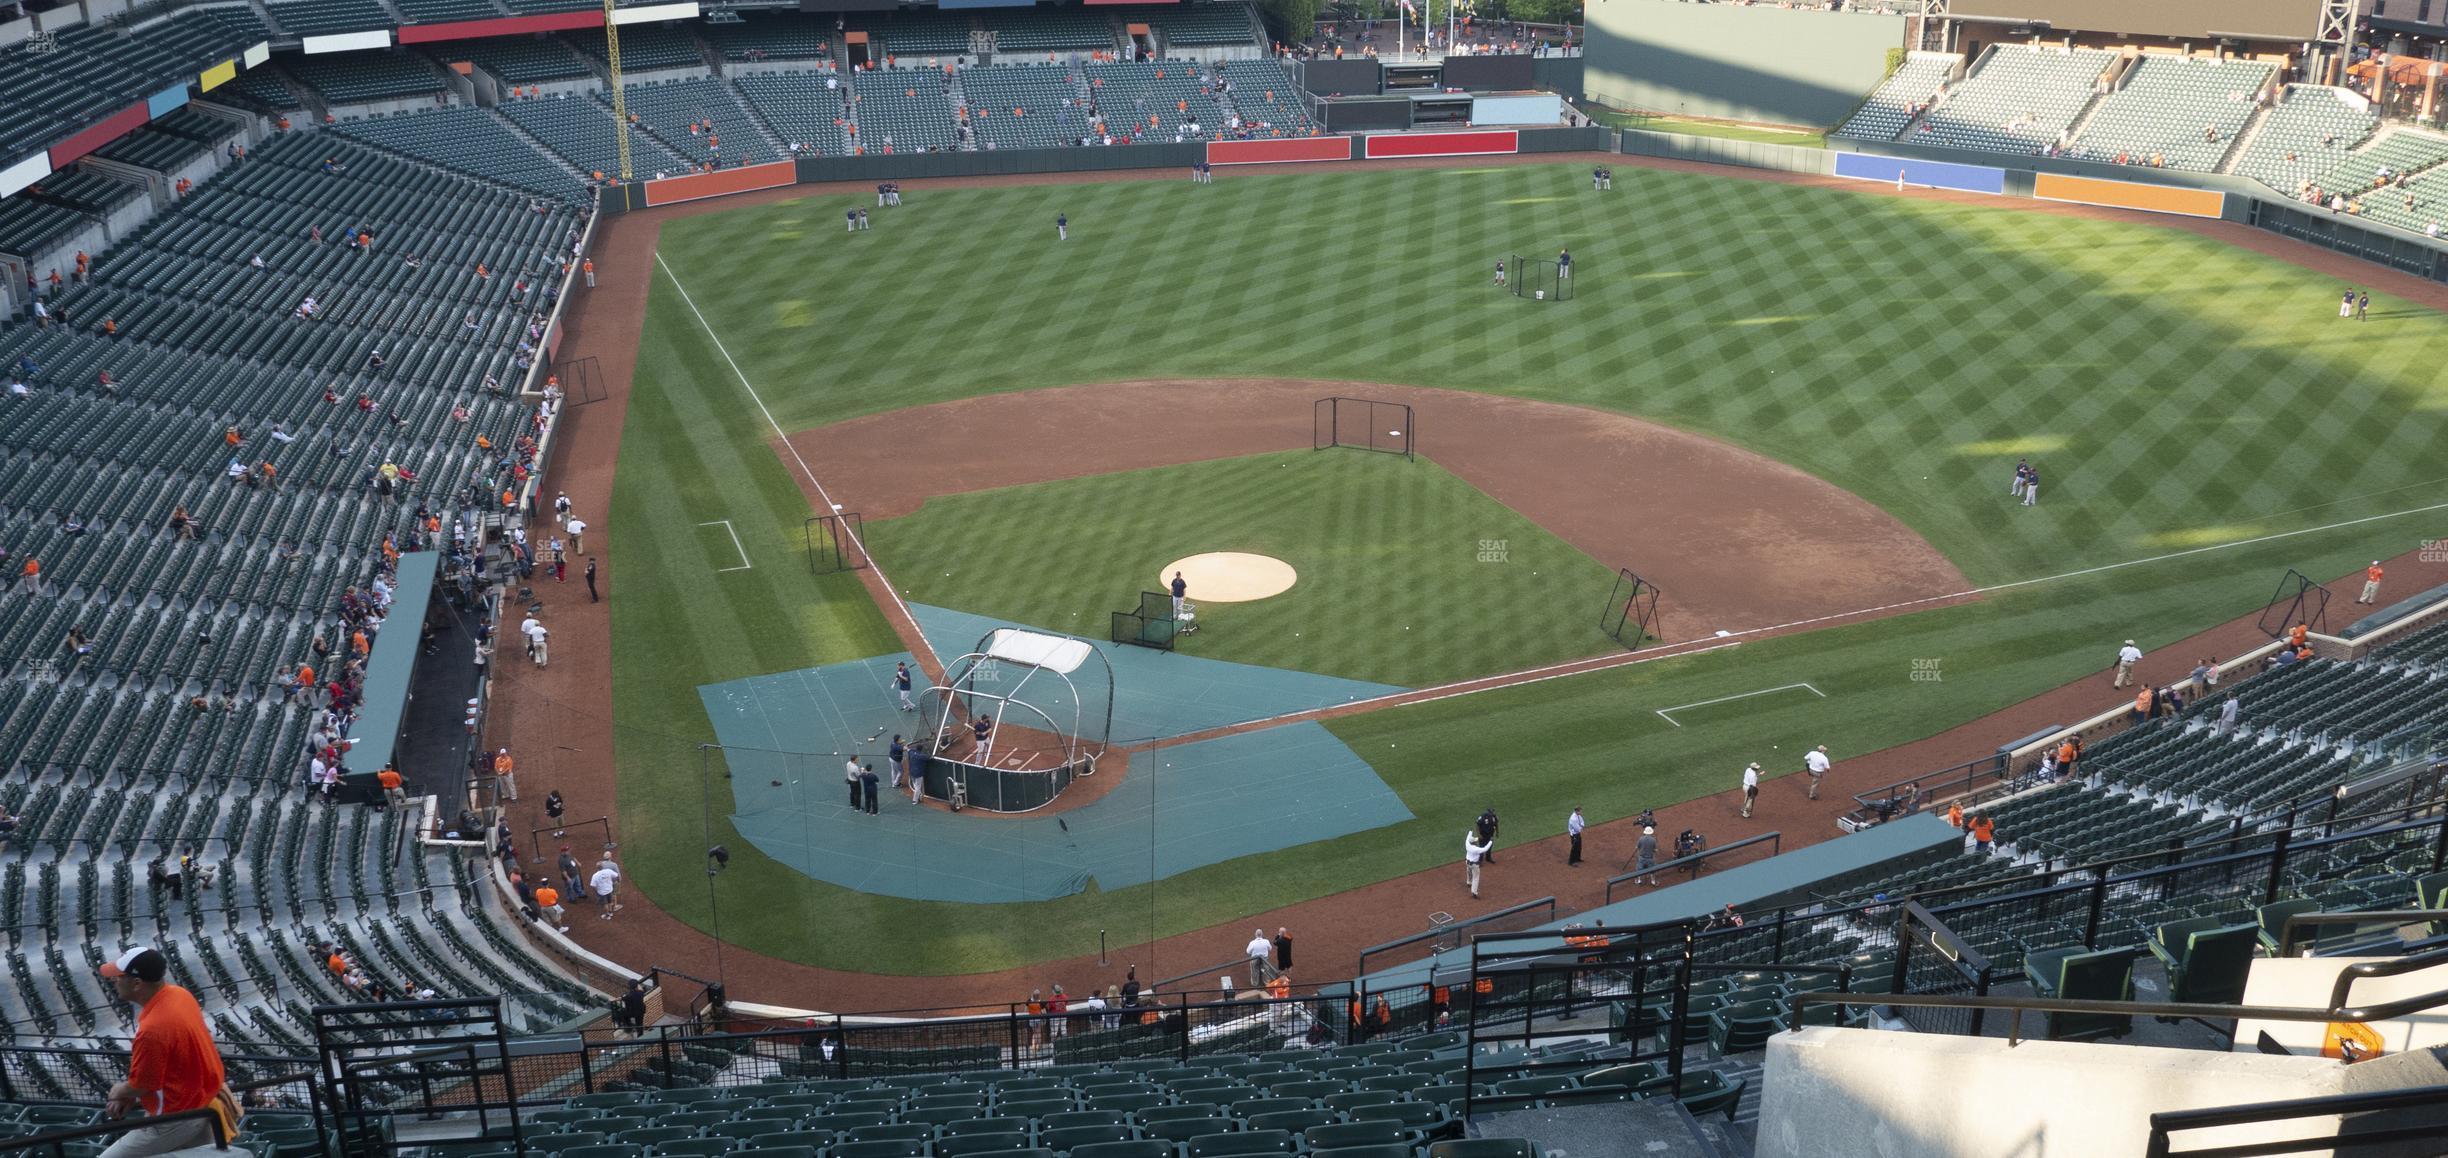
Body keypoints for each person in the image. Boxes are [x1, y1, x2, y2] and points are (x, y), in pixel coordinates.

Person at [98, 947, 236, 1157]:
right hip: (202, 1103)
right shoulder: (180, 994)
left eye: (118, 976)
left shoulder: (153, 1029)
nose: (114, 981)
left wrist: (119, 1091)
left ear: (136, 983)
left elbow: (143, 1085)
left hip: (175, 1116)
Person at [1463, 827, 1490, 898]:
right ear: (1474, 842)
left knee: (1468, 871)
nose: (1476, 841)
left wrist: (1470, 831)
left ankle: (1469, 882)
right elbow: (1485, 849)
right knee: (1476, 877)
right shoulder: (1476, 849)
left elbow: (1467, 837)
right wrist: (1490, 842)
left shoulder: (1467, 844)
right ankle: (1474, 892)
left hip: (1467, 862)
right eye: (1475, 840)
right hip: (1474, 865)